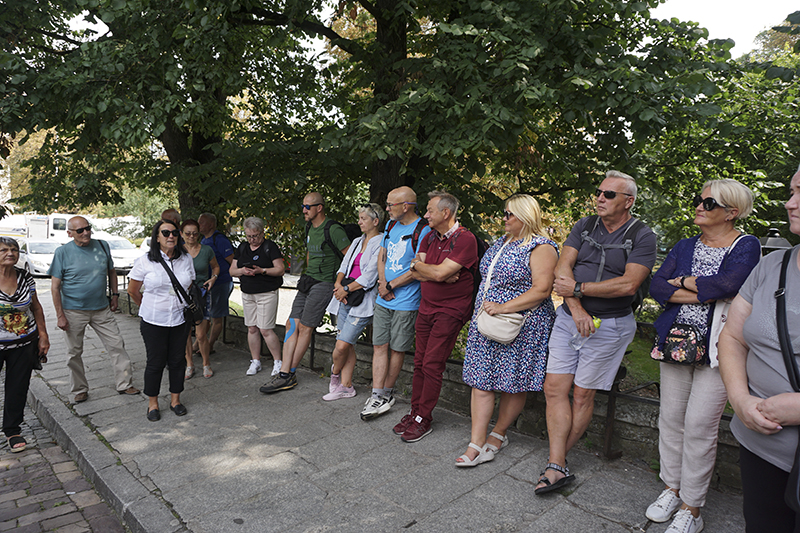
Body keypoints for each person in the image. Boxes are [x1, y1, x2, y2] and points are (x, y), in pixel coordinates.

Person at [646, 179, 760, 533]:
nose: (699, 206)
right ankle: (671, 488)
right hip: (677, 342)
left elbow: (730, 285)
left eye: (709, 203)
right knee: (671, 419)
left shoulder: (747, 246)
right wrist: (701, 288)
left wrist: (682, 282)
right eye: (699, 200)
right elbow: (656, 285)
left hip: (719, 348)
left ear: (731, 212)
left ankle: (692, 509)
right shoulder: (684, 245)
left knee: (699, 426)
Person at [537, 170, 656, 494]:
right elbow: (563, 266)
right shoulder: (585, 224)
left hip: (611, 325)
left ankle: (554, 463)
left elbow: (628, 284)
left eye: (609, 194)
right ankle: (557, 463)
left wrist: (577, 287)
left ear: (628, 201)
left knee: (583, 393)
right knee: (553, 387)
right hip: (570, 318)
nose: (600, 198)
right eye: (599, 192)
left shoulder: (643, 235)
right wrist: (575, 306)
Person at [719, 166, 800, 533]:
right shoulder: (773, 265)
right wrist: (741, 400)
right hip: (760, 446)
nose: (789, 203)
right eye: (791, 190)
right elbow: (733, 337)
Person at [456, 194, 558, 466]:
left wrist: (504, 307)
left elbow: (542, 290)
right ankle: (475, 443)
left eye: (510, 214)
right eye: (504, 213)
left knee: (512, 383)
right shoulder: (501, 242)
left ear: (525, 216)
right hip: (487, 320)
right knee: (481, 381)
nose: (504, 218)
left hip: (522, 323)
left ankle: (498, 434)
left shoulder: (542, 246)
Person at [395, 190, 478, 443]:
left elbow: (436, 273)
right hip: (427, 306)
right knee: (419, 361)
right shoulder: (428, 236)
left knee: (432, 364)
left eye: (430, 210)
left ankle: (424, 418)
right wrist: (433, 271)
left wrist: (430, 271)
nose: (426, 214)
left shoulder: (465, 239)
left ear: (446, 212)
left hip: (451, 310)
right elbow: (420, 270)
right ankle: (415, 411)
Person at [260, 192, 351, 394]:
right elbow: (310, 251)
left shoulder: (333, 229)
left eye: (307, 207)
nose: (304, 210)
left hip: (325, 283)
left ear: (319, 208)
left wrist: (340, 282)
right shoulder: (309, 226)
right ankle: (284, 373)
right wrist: (308, 272)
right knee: (291, 323)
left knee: (305, 327)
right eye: (303, 206)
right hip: (308, 280)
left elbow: (350, 257)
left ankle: (289, 373)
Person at [50, 216, 139, 403]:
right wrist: (60, 315)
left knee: (117, 344)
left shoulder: (102, 246)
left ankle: (124, 384)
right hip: (73, 310)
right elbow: (55, 287)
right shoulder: (62, 252)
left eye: (88, 228)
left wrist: (115, 295)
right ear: (69, 233)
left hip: (101, 309)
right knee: (74, 352)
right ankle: (79, 389)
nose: (86, 233)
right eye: (80, 230)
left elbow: (111, 271)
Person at [361, 186, 431, 420]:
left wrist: (392, 286)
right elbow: (383, 255)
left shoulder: (423, 229)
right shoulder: (390, 225)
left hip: (406, 300)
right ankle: (377, 393)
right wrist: (383, 283)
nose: (387, 208)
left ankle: (386, 393)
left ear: (406, 205)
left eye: (391, 204)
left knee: (397, 348)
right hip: (385, 296)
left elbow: (417, 268)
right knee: (379, 345)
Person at [128, 220, 195, 421]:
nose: (170, 236)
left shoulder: (186, 259)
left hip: (179, 319)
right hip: (153, 320)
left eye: (174, 232)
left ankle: (175, 400)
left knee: (177, 360)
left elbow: (190, 284)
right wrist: (149, 307)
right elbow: (133, 290)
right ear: (157, 237)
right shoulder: (145, 261)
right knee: (155, 362)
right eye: (165, 232)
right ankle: (153, 403)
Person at [323, 203, 384, 401]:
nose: (359, 222)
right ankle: (346, 386)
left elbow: (370, 275)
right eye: (359, 218)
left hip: (360, 299)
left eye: (363, 219)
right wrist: (338, 284)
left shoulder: (381, 241)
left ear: (375, 221)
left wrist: (346, 289)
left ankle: (334, 375)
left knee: (341, 345)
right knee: (346, 345)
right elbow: (344, 265)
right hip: (344, 297)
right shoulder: (358, 241)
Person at [0, 237, 49, 452]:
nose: (10, 253)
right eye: (3, 250)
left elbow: (36, 307)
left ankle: (12, 430)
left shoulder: (25, 277)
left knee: (17, 387)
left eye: (14, 249)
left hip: (24, 342)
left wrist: (43, 334)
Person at [229, 217, 285, 377]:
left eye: (255, 236)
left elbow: (280, 269)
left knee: (266, 329)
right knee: (252, 328)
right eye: (249, 236)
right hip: (247, 292)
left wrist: (262, 271)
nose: (252, 239)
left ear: (262, 233)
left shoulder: (270, 247)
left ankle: (278, 362)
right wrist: (242, 271)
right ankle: (255, 361)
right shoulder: (242, 247)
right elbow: (232, 270)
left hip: (266, 292)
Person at [181, 219, 220, 379]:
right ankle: (189, 364)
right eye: (188, 233)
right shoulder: (177, 250)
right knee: (184, 334)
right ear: (182, 234)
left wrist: (213, 278)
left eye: (195, 233)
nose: (191, 236)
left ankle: (206, 363)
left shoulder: (206, 250)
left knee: (201, 334)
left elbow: (216, 266)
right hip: (182, 295)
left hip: (202, 294)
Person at [198, 213, 235, 357]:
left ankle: (210, 345)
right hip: (207, 284)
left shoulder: (219, 239)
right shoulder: (203, 239)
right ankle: (200, 344)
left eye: (202, 222)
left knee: (216, 316)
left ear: (211, 225)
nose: (199, 224)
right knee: (207, 315)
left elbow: (232, 260)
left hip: (220, 282)